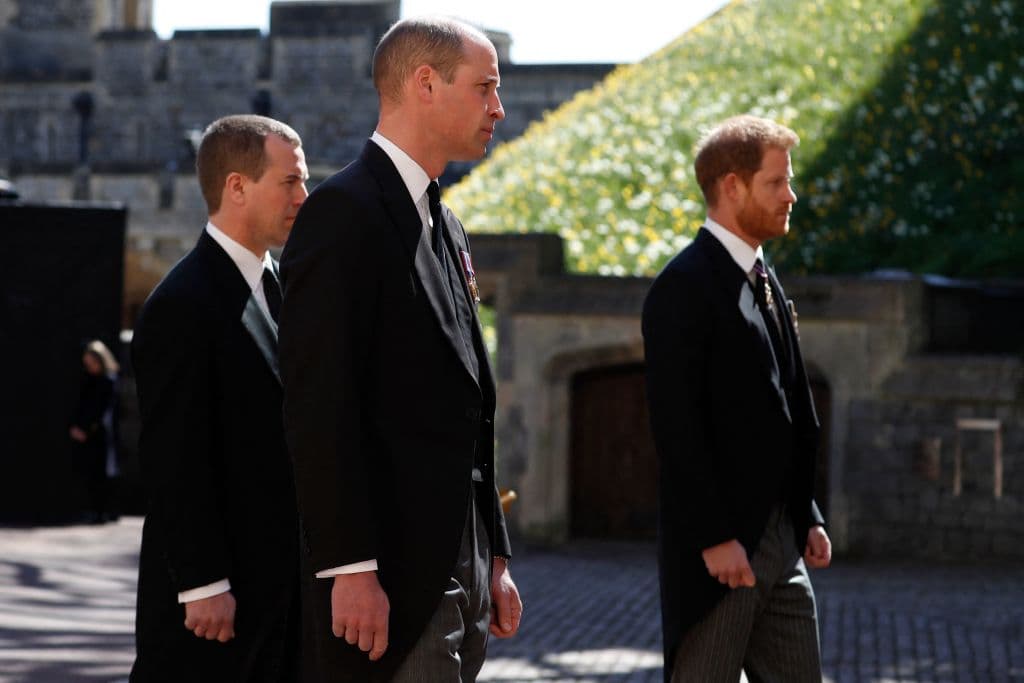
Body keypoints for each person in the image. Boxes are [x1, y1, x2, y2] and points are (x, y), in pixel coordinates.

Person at [278, 16, 522, 682]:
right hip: (390, 568)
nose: (499, 108)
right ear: (424, 84)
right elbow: (318, 402)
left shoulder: (446, 222)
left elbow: (468, 396)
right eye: (484, 88)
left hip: (460, 562)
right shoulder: (342, 213)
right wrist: (350, 567)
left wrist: (493, 557)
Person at [642, 114, 832, 682]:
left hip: (783, 540)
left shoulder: (766, 280)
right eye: (776, 182)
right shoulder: (683, 287)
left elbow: (790, 405)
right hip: (721, 555)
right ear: (732, 186)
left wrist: (808, 514)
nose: (791, 195)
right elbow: (677, 426)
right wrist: (715, 537)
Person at [130, 114, 308, 682]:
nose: (304, 197)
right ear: (237, 186)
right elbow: (174, 459)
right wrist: (203, 582)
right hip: (213, 607)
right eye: (290, 182)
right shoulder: (181, 303)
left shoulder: (282, 286)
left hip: (281, 594)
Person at [69, 339, 119, 523]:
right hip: (89, 433)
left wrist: (87, 429)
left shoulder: (108, 381)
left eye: (92, 363)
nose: (89, 367)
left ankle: (105, 511)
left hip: (101, 433)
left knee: (104, 474)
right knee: (92, 474)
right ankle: (97, 510)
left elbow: (102, 410)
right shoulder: (90, 379)